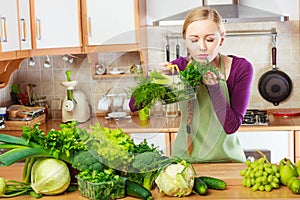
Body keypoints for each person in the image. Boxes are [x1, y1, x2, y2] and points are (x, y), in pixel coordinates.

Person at [130, 6, 253, 163]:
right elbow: (134, 105)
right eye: (194, 40)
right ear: (186, 41)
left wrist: (214, 88)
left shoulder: (240, 68)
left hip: (228, 161)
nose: (201, 47)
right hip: (185, 161)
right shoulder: (179, 67)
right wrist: (152, 78)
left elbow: (231, 126)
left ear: (221, 39)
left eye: (209, 39)